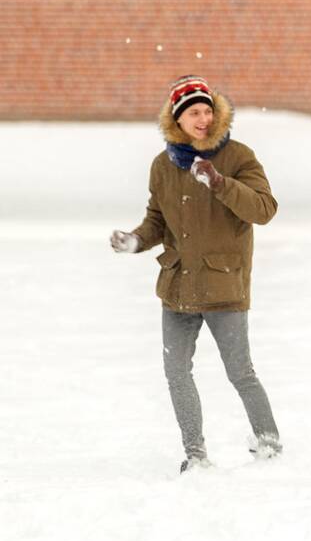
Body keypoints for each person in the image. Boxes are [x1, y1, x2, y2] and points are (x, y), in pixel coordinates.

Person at [110, 75, 281, 474]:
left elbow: (264, 209)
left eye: (207, 111)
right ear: (177, 120)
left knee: (240, 372)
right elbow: (158, 219)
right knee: (176, 373)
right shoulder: (163, 164)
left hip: (224, 286)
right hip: (179, 288)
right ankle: (195, 453)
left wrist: (220, 183)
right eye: (193, 113)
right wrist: (136, 241)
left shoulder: (238, 156)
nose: (202, 118)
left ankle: (269, 442)